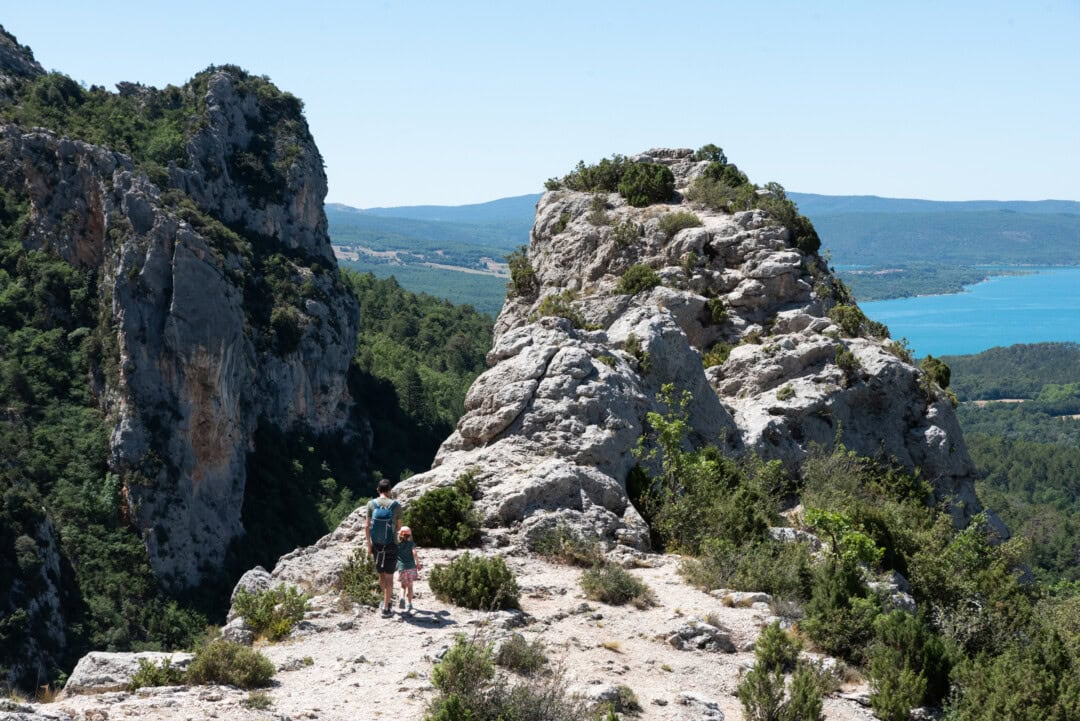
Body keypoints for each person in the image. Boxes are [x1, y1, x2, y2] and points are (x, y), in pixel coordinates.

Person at [364, 479, 401, 616]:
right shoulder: (396, 505)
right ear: (390, 490)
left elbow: (367, 526)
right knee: (390, 576)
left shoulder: (371, 504)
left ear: (378, 490)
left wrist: (369, 545)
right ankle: (386, 607)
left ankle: (385, 600)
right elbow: (399, 528)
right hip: (391, 545)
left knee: (381, 574)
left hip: (377, 546)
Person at [396, 526, 421, 613]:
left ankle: (402, 598)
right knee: (410, 586)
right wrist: (418, 564)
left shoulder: (398, 544)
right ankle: (409, 604)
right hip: (411, 567)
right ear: (410, 535)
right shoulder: (411, 544)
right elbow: (414, 553)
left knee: (403, 586)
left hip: (402, 567)